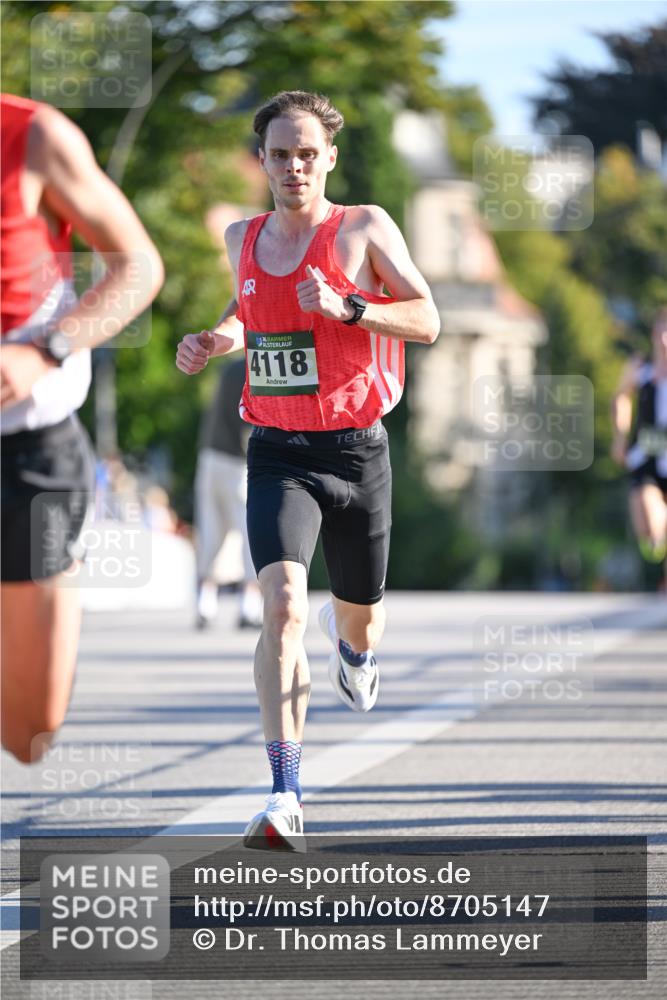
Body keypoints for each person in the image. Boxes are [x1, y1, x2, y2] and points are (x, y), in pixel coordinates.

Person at [176, 90, 439, 850]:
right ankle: (285, 793)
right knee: (283, 607)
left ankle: (353, 647)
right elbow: (248, 311)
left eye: (306, 154)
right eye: (280, 154)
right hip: (278, 452)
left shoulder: (363, 228)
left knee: (360, 617)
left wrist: (349, 307)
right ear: (261, 161)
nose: (293, 167)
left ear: (329, 159)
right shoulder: (243, 236)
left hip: (357, 450)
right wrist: (216, 340)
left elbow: (426, 319)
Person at [1, 93, 164, 763]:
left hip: (27, 454)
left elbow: (139, 267)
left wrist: (45, 351)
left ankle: (57, 573)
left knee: (29, 733)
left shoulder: (34, 136)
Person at [194, 356, 263, 629]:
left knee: (211, 532)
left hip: (210, 456)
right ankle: (249, 605)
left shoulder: (228, 369)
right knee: (250, 533)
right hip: (238, 462)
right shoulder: (255, 366)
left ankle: (205, 603)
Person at [611, 307, 667, 584]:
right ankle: (659, 535)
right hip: (647, 453)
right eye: (662, 330)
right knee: (648, 526)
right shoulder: (640, 367)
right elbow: (621, 398)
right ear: (654, 333)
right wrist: (620, 437)